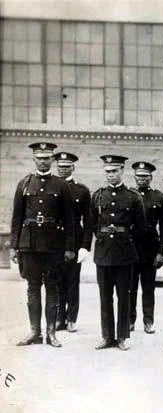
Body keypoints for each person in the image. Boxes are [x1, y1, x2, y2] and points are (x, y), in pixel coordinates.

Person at [10, 142, 75, 348]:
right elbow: (17, 217)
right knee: (32, 287)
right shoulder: (24, 183)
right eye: (39, 158)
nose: (43, 161)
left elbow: (69, 220)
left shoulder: (61, 185)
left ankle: (51, 334)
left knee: (53, 287)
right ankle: (35, 332)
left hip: (53, 245)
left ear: (52, 160)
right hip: (29, 244)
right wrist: (14, 245)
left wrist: (70, 247)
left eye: (47, 158)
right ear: (34, 159)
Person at [90, 155, 146, 351]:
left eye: (114, 171)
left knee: (124, 295)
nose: (111, 175)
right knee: (105, 296)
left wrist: (126, 239)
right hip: (104, 254)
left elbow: (140, 228)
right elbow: (92, 224)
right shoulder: (97, 196)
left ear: (122, 170)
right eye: (107, 171)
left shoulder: (133, 197)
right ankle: (107, 336)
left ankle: (122, 336)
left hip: (124, 254)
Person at [53, 151, 92, 333]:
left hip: (75, 239)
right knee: (56, 279)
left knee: (72, 280)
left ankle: (71, 318)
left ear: (73, 167)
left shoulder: (81, 190)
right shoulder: (51, 186)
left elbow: (88, 221)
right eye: (60, 167)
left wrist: (85, 246)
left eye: (66, 167)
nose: (63, 170)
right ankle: (59, 318)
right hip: (54, 240)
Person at [129, 161, 163, 334]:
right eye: (139, 176)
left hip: (150, 247)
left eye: (145, 176)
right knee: (130, 287)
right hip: (130, 247)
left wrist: (162, 252)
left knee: (148, 287)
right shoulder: (128, 195)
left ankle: (148, 321)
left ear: (151, 178)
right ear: (134, 177)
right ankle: (129, 320)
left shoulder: (158, 197)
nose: (142, 179)